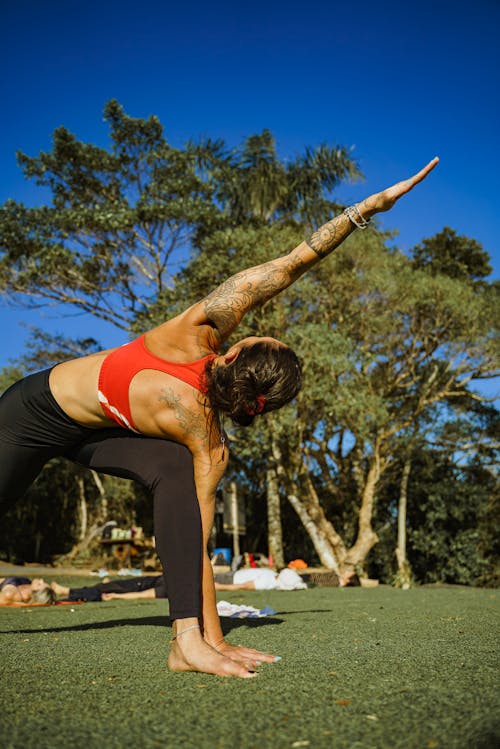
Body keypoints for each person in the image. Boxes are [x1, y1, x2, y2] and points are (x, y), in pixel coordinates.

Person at [0, 157, 439, 677]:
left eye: (256, 335)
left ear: (233, 355)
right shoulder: (208, 442)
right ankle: (192, 636)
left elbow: (289, 265)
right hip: (35, 415)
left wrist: (365, 209)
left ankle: (186, 642)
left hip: (69, 423)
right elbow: (202, 543)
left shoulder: (195, 335)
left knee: (172, 475)